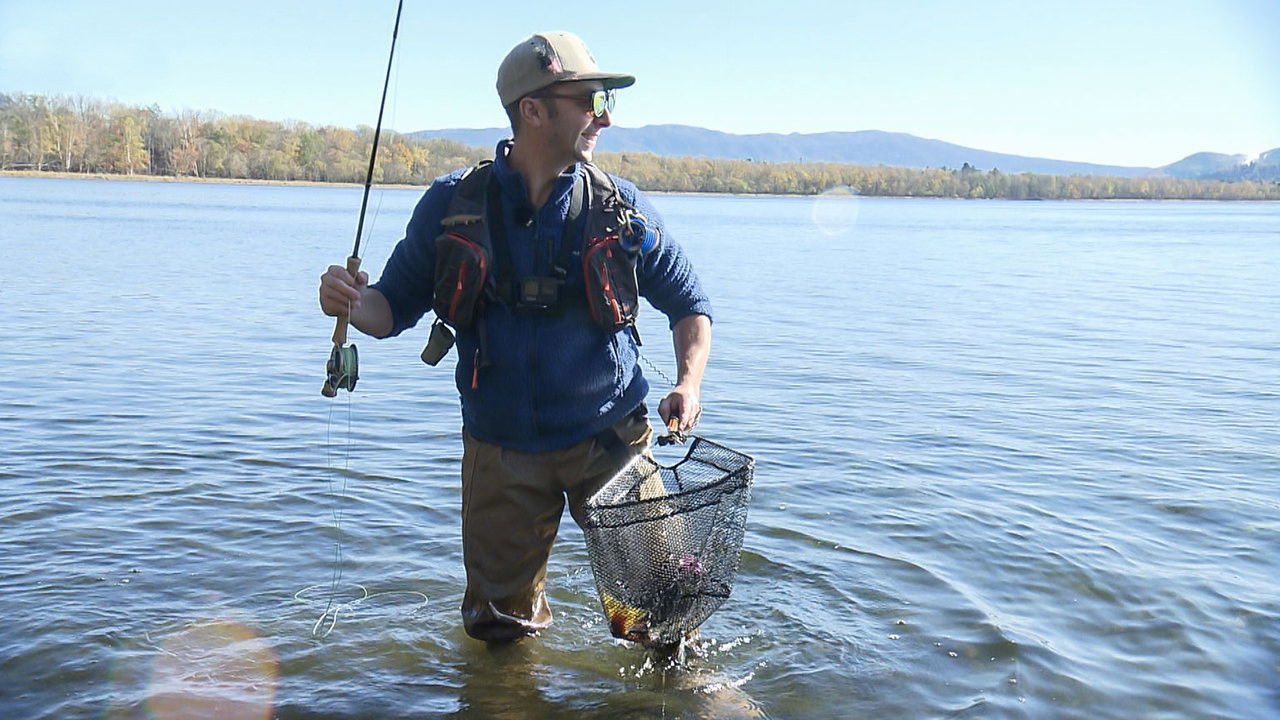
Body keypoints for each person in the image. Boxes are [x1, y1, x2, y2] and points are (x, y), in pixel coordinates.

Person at [318, 31, 713, 643]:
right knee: (500, 634)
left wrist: (688, 382)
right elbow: (389, 309)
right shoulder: (452, 206)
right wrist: (347, 300)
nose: (603, 118)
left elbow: (690, 305)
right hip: (499, 450)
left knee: (660, 622)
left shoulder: (621, 208)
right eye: (589, 100)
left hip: (611, 440)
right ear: (533, 110)